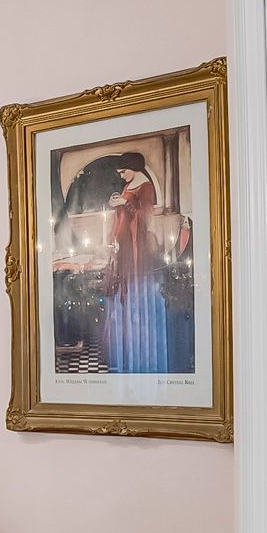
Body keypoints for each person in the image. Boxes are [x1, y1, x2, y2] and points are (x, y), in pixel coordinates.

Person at [102, 152, 169, 373]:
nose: (122, 176)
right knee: (122, 293)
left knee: (134, 293)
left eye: (123, 171)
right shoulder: (128, 185)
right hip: (124, 248)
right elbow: (124, 216)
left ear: (133, 167)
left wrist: (126, 203)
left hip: (136, 251)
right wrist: (117, 204)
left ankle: (139, 353)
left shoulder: (145, 186)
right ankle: (124, 352)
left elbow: (145, 218)